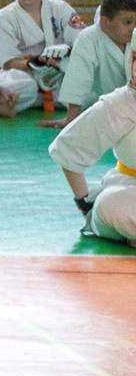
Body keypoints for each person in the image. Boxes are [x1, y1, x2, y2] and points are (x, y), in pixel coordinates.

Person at [50, 48, 136, 244]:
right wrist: (84, 203)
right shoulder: (120, 104)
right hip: (130, 190)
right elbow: (69, 148)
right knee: (111, 205)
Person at [0, 0, 82, 110]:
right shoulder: (4, 17)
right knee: (20, 87)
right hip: (25, 74)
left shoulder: (61, 8)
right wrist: (36, 63)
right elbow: (8, 61)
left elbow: (81, 41)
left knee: (89, 89)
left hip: (60, 72)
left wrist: (63, 57)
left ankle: (32, 101)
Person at [46, 0, 136, 129]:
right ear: (105, 23)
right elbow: (79, 78)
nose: (133, 28)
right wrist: (70, 119)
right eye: (127, 22)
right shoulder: (88, 39)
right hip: (105, 104)